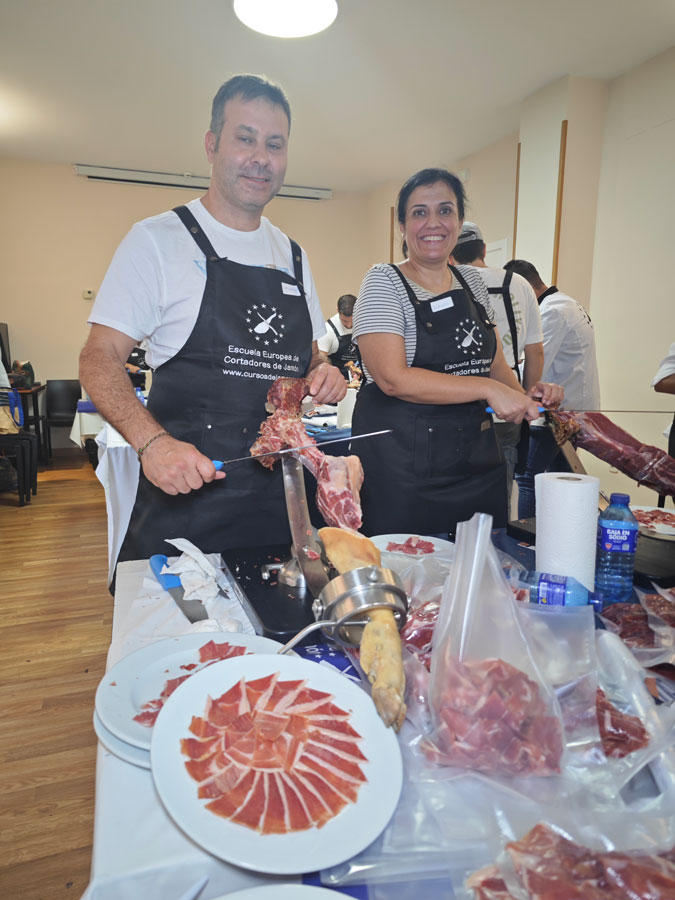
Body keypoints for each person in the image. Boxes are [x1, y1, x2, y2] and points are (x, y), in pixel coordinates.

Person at [79, 74, 346, 568]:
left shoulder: (293, 256)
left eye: (275, 143)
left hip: (281, 508)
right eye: (245, 138)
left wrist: (324, 369)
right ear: (211, 145)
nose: (260, 157)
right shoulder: (158, 240)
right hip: (186, 504)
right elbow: (99, 358)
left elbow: (310, 352)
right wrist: (153, 444)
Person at [350, 168, 562, 538]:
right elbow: (392, 378)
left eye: (445, 210)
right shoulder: (383, 281)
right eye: (419, 212)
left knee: (477, 571)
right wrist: (486, 390)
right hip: (403, 469)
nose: (433, 223)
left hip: (474, 462)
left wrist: (525, 396)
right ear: (402, 225)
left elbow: (494, 364)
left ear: (460, 221)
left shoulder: (472, 282)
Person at [452, 222, 544, 513]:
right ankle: (494, 548)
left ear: (451, 252)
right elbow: (535, 352)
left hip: (454, 400)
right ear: (483, 249)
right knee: (499, 488)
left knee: (456, 486)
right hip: (508, 400)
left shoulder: (448, 279)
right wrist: (527, 401)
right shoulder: (519, 284)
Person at [503, 259, 601, 518]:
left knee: (527, 478)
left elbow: (537, 367)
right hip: (574, 407)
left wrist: (501, 381)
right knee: (562, 478)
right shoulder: (567, 303)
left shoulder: (551, 312)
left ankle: (528, 539)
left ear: (525, 288)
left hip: (557, 412)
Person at [317, 294, 361, 381]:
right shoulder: (327, 331)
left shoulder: (365, 325)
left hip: (362, 379)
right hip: (338, 381)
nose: (349, 325)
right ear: (338, 311)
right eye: (344, 321)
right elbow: (320, 362)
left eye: (352, 320)